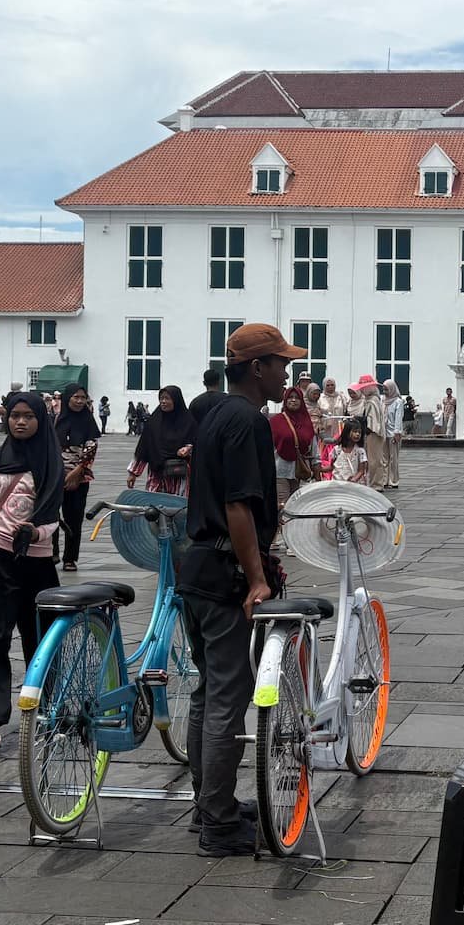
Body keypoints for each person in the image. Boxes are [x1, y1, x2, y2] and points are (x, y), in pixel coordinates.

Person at [177, 323, 303, 856]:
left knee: (209, 693)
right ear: (257, 369)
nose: (287, 373)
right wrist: (256, 577)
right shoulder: (249, 420)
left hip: (195, 569)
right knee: (228, 698)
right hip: (225, 571)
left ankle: (210, 803)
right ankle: (220, 824)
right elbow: (238, 506)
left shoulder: (212, 413)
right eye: (281, 364)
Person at [0, 391, 63, 755]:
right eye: (14, 416)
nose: (20, 422)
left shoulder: (49, 462)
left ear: (40, 419)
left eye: (28, 416)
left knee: (39, 639)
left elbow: (54, 516)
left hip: (36, 559)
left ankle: (47, 708)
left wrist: (35, 531)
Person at [57, 385, 101, 573]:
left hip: (79, 478)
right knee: (50, 516)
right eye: (76, 397)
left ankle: (70, 558)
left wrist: (77, 472)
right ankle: (51, 552)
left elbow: (91, 449)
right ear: (67, 398)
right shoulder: (56, 420)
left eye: (83, 397)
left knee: (74, 519)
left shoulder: (87, 421)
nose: (80, 401)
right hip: (56, 477)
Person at [129, 385, 195, 494]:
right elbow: (144, 447)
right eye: (161, 398)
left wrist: (188, 449)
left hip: (179, 477)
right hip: (157, 475)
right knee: (153, 506)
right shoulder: (153, 423)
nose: (163, 401)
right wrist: (133, 473)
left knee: (177, 508)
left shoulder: (188, 422)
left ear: (176, 400)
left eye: (167, 398)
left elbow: (196, 442)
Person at [269, 385, 319, 523]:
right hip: (280, 471)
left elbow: (313, 448)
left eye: (297, 398)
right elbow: (267, 447)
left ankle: (292, 538)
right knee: (282, 505)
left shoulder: (306, 422)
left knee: (297, 507)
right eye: (290, 397)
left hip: (299, 472)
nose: (293, 400)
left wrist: (317, 469)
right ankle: (278, 538)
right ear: (285, 400)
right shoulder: (276, 421)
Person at [380, 380, 405, 490]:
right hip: (383, 432)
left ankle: (393, 480)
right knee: (384, 458)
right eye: (384, 389)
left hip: (393, 433)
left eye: (387, 389)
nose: (385, 391)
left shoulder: (398, 402)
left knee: (393, 458)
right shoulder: (382, 400)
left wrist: (397, 432)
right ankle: (384, 480)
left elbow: (398, 418)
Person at [330, 418, 370, 483]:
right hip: (337, 484)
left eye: (359, 432)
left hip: (353, 485)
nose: (357, 434)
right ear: (347, 432)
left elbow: (361, 470)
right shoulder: (337, 450)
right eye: (355, 431)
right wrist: (320, 469)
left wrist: (354, 480)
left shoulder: (360, 451)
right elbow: (332, 466)